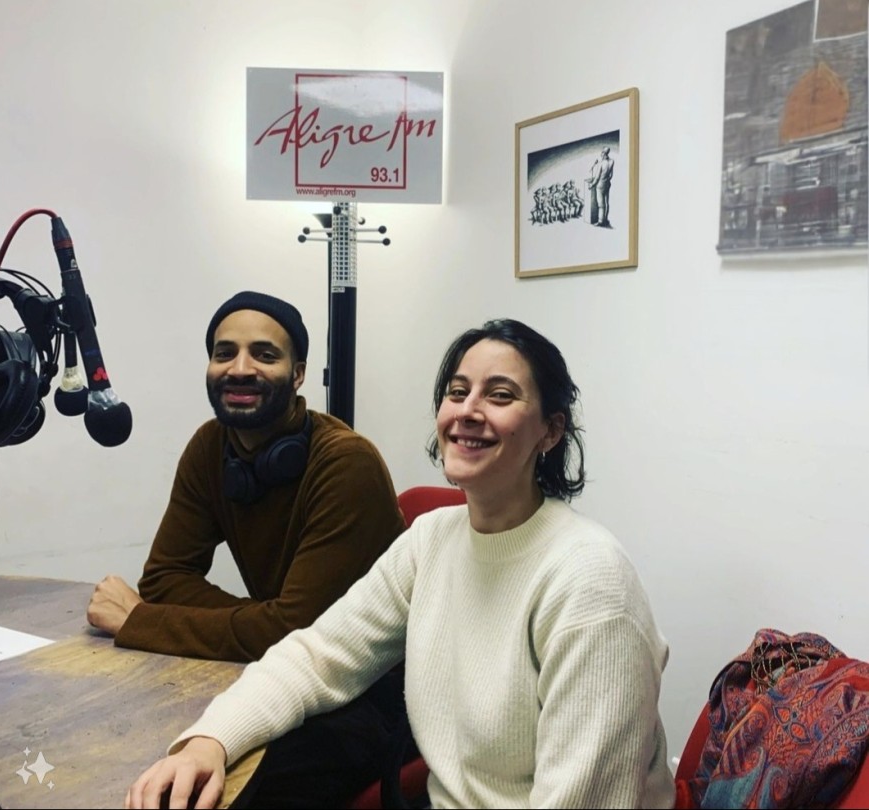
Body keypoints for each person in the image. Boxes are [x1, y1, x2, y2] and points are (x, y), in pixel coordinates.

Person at [126, 318, 675, 810]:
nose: (468, 411)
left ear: (550, 431)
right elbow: (318, 656)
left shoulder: (589, 580)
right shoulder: (432, 540)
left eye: (500, 395)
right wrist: (209, 741)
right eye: (457, 392)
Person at [87, 290, 408, 806]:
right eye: (224, 353)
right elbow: (166, 580)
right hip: (275, 676)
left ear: (298, 375)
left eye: (264, 354)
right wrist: (265, 622)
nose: (239, 369)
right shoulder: (210, 447)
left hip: (369, 696)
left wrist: (141, 622)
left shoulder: (347, 464)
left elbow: (298, 632)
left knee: (202, 792)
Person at [588, 145, 615, 227]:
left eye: (602, 152)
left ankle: (600, 222)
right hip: (607, 184)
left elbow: (596, 178)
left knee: (601, 205)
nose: (601, 154)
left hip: (600, 186)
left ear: (604, 153)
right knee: (606, 203)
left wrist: (591, 185)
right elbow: (611, 175)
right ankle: (605, 219)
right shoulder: (612, 161)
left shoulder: (601, 164)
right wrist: (606, 179)